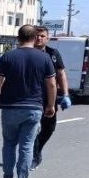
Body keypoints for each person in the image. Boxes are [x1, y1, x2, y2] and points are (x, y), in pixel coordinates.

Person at [0, 25, 56, 178]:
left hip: (10, 107)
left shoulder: (8, 56)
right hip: (33, 108)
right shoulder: (44, 58)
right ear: (34, 38)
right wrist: (51, 105)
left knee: (9, 144)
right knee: (27, 145)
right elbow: (52, 84)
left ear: (18, 38)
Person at [33, 26, 72, 169]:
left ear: (47, 38)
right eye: (37, 35)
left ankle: (37, 150)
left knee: (49, 128)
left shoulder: (53, 54)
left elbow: (61, 74)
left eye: (42, 36)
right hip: (31, 97)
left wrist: (65, 94)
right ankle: (34, 156)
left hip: (50, 97)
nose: (39, 38)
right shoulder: (26, 52)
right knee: (32, 128)